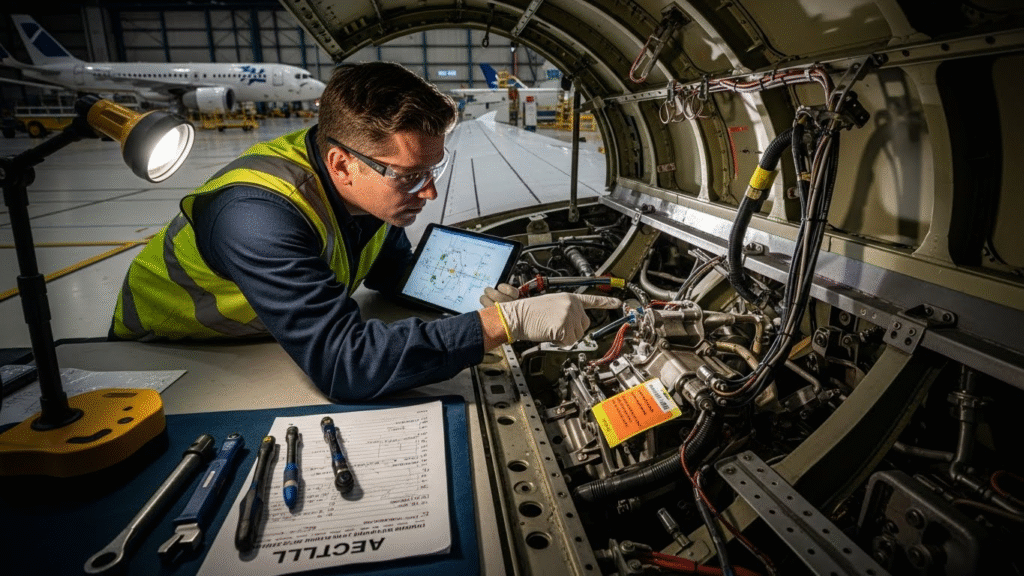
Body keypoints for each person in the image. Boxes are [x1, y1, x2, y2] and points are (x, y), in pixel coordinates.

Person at [111, 61, 619, 401]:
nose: (428, 195)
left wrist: (476, 296)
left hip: (262, 342)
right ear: (342, 163)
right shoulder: (256, 214)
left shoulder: (357, 184)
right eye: (409, 177)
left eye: (432, 172)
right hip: (168, 362)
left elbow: (392, 268)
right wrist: (504, 326)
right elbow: (344, 365)